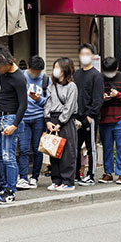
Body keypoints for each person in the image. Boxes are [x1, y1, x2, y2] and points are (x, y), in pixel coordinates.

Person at [0, 46, 26, 204]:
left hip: (11, 119)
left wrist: (15, 125)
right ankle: (3, 186)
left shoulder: (19, 78)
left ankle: (10, 191)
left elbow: (23, 105)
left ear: (6, 62)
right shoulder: (3, 74)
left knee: (8, 157)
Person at [45, 58, 79, 191]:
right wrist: (47, 120)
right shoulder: (51, 86)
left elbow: (69, 107)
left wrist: (60, 122)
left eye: (58, 67)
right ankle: (56, 180)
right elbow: (47, 102)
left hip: (65, 121)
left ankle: (68, 181)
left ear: (65, 69)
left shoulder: (72, 86)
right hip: (52, 119)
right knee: (53, 152)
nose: (55, 70)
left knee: (67, 152)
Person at [72, 44, 104, 186]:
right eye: (82, 53)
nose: (84, 56)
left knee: (91, 147)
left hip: (89, 117)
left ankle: (90, 175)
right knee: (76, 146)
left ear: (92, 56)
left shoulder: (96, 75)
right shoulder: (76, 74)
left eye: (87, 53)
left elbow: (98, 98)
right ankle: (77, 174)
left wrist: (91, 115)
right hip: (76, 116)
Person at [98, 55, 121, 184]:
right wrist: (102, 98)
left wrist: (118, 95)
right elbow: (94, 98)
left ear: (117, 68)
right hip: (104, 118)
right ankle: (108, 173)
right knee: (107, 147)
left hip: (120, 118)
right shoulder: (100, 79)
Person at [21, 56, 49, 187]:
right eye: (34, 71)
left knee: (38, 149)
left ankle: (35, 177)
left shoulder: (45, 79)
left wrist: (38, 99)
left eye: (38, 72)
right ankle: (23, 177)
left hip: (39, 117)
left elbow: (48, 102)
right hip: (23, 117)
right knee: (23, 149)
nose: (36, 74)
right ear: (28, 67)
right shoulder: (21, 77)